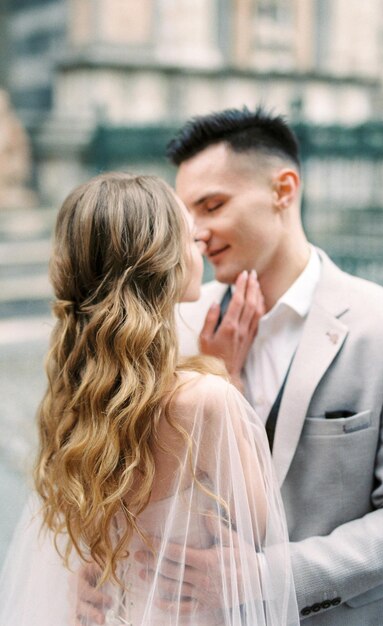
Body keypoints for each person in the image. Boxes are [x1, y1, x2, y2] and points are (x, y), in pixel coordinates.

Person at [150, 107, 383, 625]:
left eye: (213, 205)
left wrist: (265, 578)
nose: (198, 235)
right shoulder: (178, 325)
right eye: (189, 218)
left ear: (283, 189)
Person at [0, 172, 299, 625]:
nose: (199, 238)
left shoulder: (76, 397)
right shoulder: (206, 401)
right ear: (157, 263)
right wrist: (228, 373)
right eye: (185, 232)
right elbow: (259, 540)